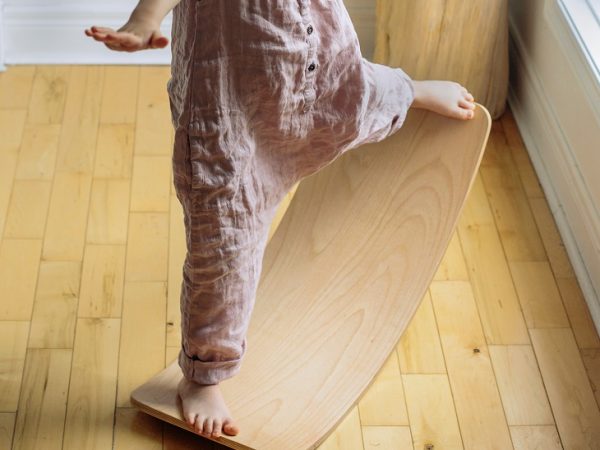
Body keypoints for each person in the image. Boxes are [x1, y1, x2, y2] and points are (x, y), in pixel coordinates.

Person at [86, 0, 475, 441]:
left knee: (356, 96)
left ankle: (409, 90)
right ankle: (203, 377)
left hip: (314, 62)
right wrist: (144, 21)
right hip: (228, 103)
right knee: (224, 244)